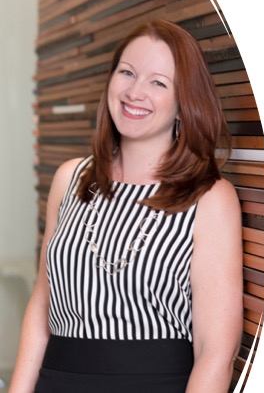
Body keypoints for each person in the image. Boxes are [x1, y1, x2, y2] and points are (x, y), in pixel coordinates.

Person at [9, 20, 244, 393]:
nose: (135, 92)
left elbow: (216, 351)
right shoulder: (70, 179)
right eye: (127, 73)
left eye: (158, 83)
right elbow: (42, 309)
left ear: (184, 104)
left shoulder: (210, 197)